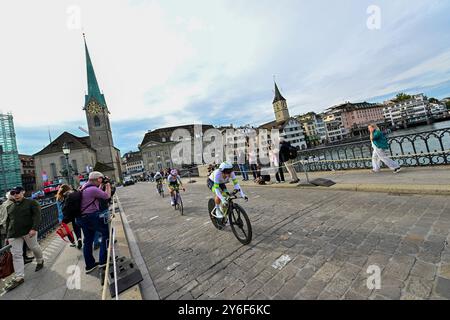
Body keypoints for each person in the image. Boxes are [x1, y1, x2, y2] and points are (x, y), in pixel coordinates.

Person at [3, 186, 44, 291]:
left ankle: (40, 260)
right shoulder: (9, 207)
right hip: (13, 234)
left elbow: (37, 216)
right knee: (16, 255)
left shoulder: (31, 203)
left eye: (17, 192)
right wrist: (7, 236)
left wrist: (34, 228)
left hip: (28, 231)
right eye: (13, 192)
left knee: (33, 247)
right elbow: (8, 222)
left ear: (23, 192)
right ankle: (19, 277)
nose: (15, 194)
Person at [75, 171, 112, 274]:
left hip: (81, 218)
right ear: (97, 179)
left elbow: (96, 194)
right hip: (91, 217)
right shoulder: (92, 189)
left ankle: (90, 265)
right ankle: (103, 261)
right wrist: (108, 185)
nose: (102, 179)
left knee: (87, 241)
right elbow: (106, 196)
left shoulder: (85, 187)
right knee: (105, 234)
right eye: (101, 178)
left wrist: (101, 185)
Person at [56, 184, 83, 249]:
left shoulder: (59, 198)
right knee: (76, 226)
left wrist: (60, 218)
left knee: (67, 229)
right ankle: (79, 238)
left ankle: (73, 242)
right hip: (73, 213)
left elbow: (59, 210)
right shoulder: (72, 194)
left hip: (65, 216)